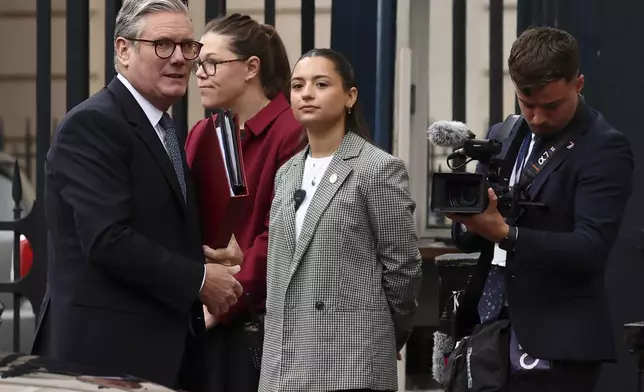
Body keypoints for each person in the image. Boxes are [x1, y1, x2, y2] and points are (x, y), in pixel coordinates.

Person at [31, 1, 244, 390]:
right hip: (105, 359)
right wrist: (198, 279)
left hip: (163, 354)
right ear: (123, 50)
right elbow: (107, 240)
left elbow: (155, 230)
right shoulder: (94, 123)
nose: (180, 58)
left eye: (187, 46)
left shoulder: (163, 126)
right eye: (163, 44)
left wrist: (209, 255)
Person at [448, 27, 634, 392]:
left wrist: (507, 234)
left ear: (578, 83)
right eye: (525, 103)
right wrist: (471, 222)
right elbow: (467, 237)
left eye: (551, 106)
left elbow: (591, 249)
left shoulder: (603, 147)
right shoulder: (504, 134)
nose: (537, 117)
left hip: (558, 339)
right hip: (489, 326)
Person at [259, 48, 423, 392]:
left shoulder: (377, 168)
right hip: (285, 358)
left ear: (350, 96)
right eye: (298, 85)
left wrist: (382, 330)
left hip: (351, 359)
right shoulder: (286, 173)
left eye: (321, 84)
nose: (306, 93)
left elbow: (403, 267)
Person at [187, 13, 304, 392]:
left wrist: (225, 299)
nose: (200, 73)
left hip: (259, 318)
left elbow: (284, 235)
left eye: (212, 63)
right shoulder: (204, 132)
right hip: (200, 305)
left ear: (252, 67)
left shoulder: (293, 133)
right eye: (198, 63)